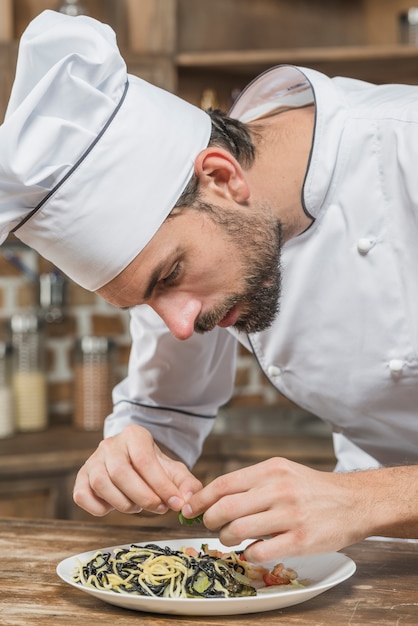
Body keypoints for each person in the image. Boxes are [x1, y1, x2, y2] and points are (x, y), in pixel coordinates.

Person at [2, 10, 417, 562]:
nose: (178, 325)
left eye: (169, 277)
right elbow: (163, 412)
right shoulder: (182, 245)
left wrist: (365, 498)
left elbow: (360, 501)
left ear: (221, 177)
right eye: (147, 300)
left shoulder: (405, 150)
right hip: (380, 558)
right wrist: (131, 449)